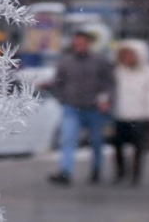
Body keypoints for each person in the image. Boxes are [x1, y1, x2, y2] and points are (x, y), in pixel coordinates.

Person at [47, 30, 114, 186]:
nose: (78, 45)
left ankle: (96, 170)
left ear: (88, 43)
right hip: (72, 108)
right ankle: (65, 172)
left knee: (96, 141)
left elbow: (109, 84)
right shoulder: (65, 61)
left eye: (81, 42)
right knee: (68, 140)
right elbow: (57, 83)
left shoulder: (99, 61)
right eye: (76, 42)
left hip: (94, 109)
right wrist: (62, 99)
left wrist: (105, 99)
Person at [111, 39, 149, 186]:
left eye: (130, 54)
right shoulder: (118, 72)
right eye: (124, 54)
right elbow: (110, 91)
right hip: (120, 114)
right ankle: (120, 173)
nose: (126, 58)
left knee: (138, 148)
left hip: (140, 116)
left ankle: (136, 175)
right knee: (118, 146)